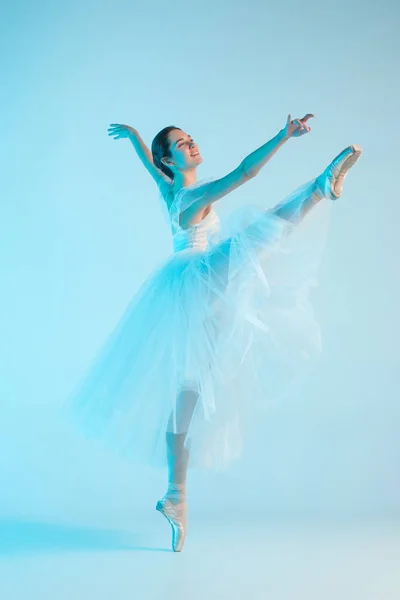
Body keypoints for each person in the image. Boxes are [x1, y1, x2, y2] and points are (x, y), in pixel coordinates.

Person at [67, 115, 362, 552]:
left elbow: (150, 166)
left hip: (194, 296)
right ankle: (318, 188)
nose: (192, 145)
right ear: (172, 160)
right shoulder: (194, 194)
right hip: (199, 279)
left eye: (190, 139)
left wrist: (134, 139)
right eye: (182, 145)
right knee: (256, 236)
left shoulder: (168, 189)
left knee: (188, 393)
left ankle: (176, 496)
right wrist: (282, 135)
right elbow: (245, 172)